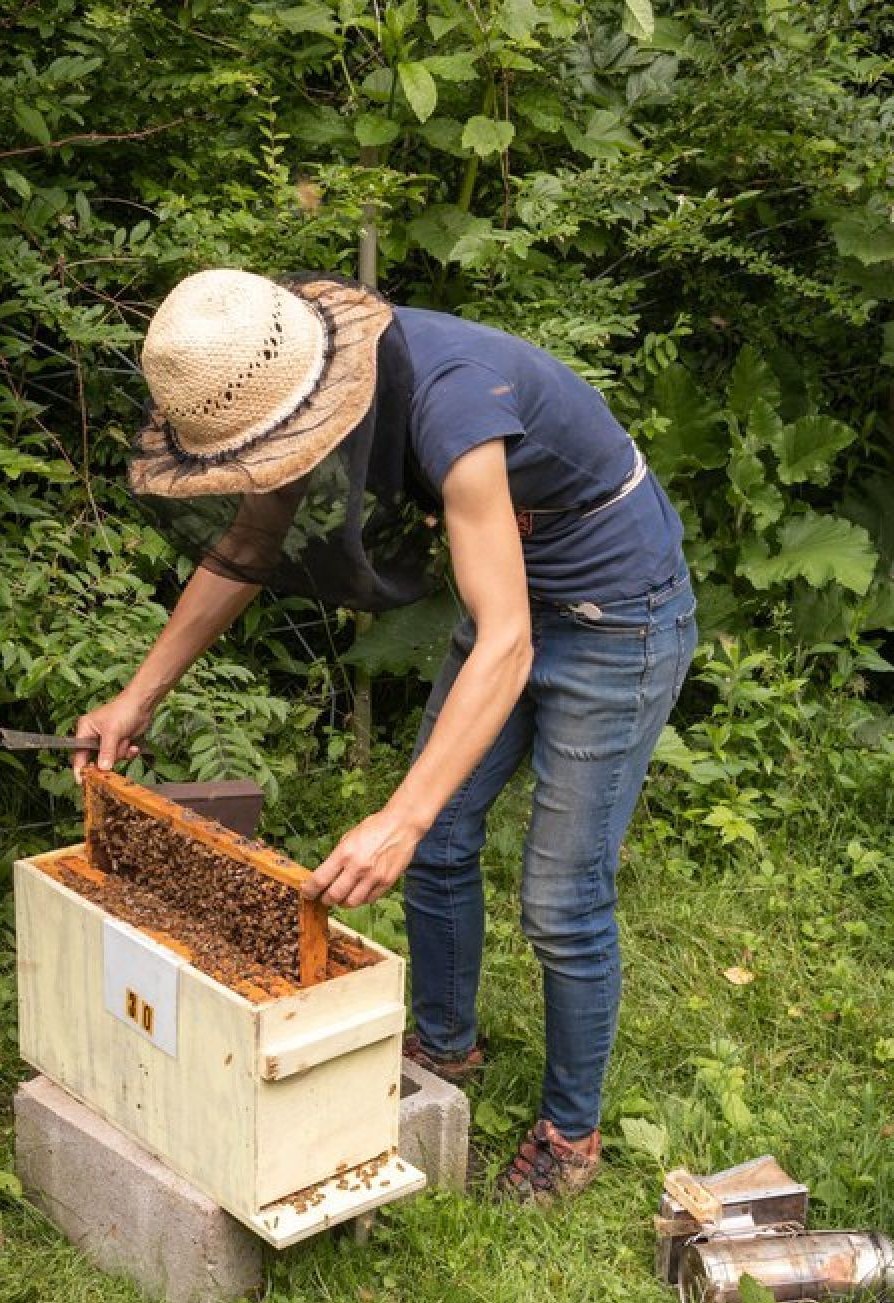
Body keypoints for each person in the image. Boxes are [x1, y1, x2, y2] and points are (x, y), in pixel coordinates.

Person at [73, 268, 697, 1205]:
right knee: (445, 839)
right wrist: (137, 697)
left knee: (561, 897)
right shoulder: (304, 381)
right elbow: (245, 549)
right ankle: (448, 1043)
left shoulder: (454, 407)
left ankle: (571, 1134)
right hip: (511, 605)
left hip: (618, 618)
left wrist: (394, 820)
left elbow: (508, 643)